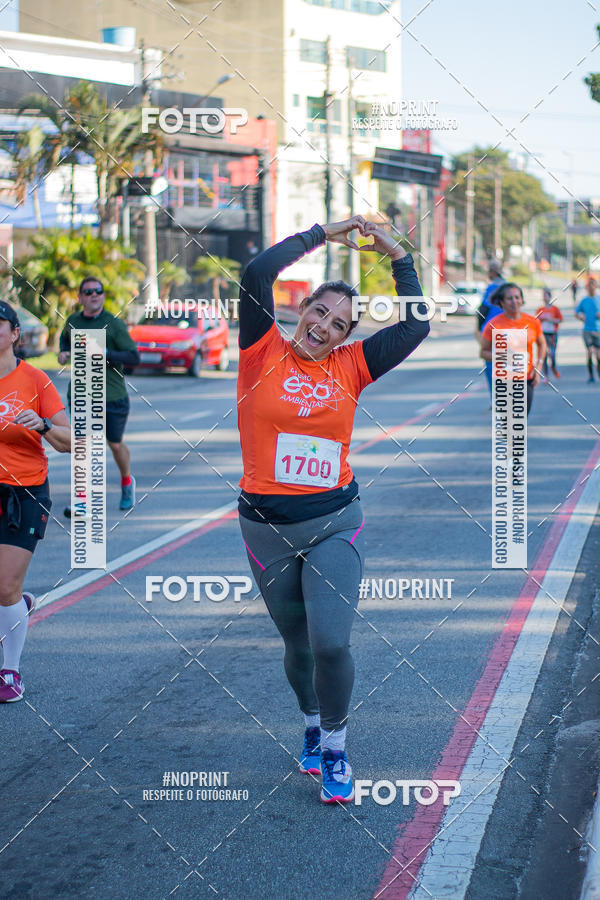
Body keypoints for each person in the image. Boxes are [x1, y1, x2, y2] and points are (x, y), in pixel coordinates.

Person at [236, 217, 429, 803]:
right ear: (303, 309)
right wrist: (329, 233)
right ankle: (313, 725)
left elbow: (417, 323)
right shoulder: (259, 350)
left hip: (333, 521)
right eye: (320, 313)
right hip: (265, 528)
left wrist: (398, 254)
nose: (325, 327)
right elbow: (256, 272)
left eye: (340, 324)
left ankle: (338, 748)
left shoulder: (352, 365)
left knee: (330, 643)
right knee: (296, 647)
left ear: (347, 334)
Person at [0, 301, 71, 702]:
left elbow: (70, 443)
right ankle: (14, 607)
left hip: (24, 492)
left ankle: (9, 672)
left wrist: (43, 425)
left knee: (5, 587)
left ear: (14, 334)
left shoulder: (35, 381)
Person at [58, 277, 140, 510]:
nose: (94, 295)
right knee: (83, 445)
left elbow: (134, 357)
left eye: (98, 291)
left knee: (114, 445)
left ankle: (126, 481)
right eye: (88, 292)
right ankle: (82, 501)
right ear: (80, 297)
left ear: (103, 295)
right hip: (82, 394)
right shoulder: (73, 321)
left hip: (112, 397)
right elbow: (65, 342)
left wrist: (107, 353)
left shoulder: (113, 324)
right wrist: (63, 354)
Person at [480, 283, 546, 416]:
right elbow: (483, 352)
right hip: (503, 380)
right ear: (501, 302)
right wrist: (501, 356)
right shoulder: (494, 324)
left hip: (526, 378)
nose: (514, 301)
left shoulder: (532, 322)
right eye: (509, 298)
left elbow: (542, 344)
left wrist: (538, 367)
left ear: (522, 300)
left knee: (520, 421)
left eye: (517, 297)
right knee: (507, 422)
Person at [475, 259, 505, 397]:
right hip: (509, 329)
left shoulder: (492, 287)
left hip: (492, 329)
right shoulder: (509, 286)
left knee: (490, 362)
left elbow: (483, 309)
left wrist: (478, 328)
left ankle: (496, 397)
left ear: (492, 272)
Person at [575, 278, 600, 382]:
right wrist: (580, 316)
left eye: (592, 285)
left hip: (598, 330)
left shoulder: (599, 298)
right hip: (587, 330)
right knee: (589, 352)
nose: (590, 287)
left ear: (595, 286)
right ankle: (591, 376)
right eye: (589, 286)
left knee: (599, 356)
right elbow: (576, 312)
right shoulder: (584, 300)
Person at [536, 288, 563, 381]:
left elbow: (560, 320)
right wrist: (541, 319)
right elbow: (535, 321)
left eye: (546, 295)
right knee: (544, 354)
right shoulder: (540, 309)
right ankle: (546, 376)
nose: (545, 297)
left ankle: (554, 369)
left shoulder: (555, 309)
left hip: (552, 333)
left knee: (552, 354)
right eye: (544, 296)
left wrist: (551, 319)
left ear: (550, 297)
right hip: (543, 334)